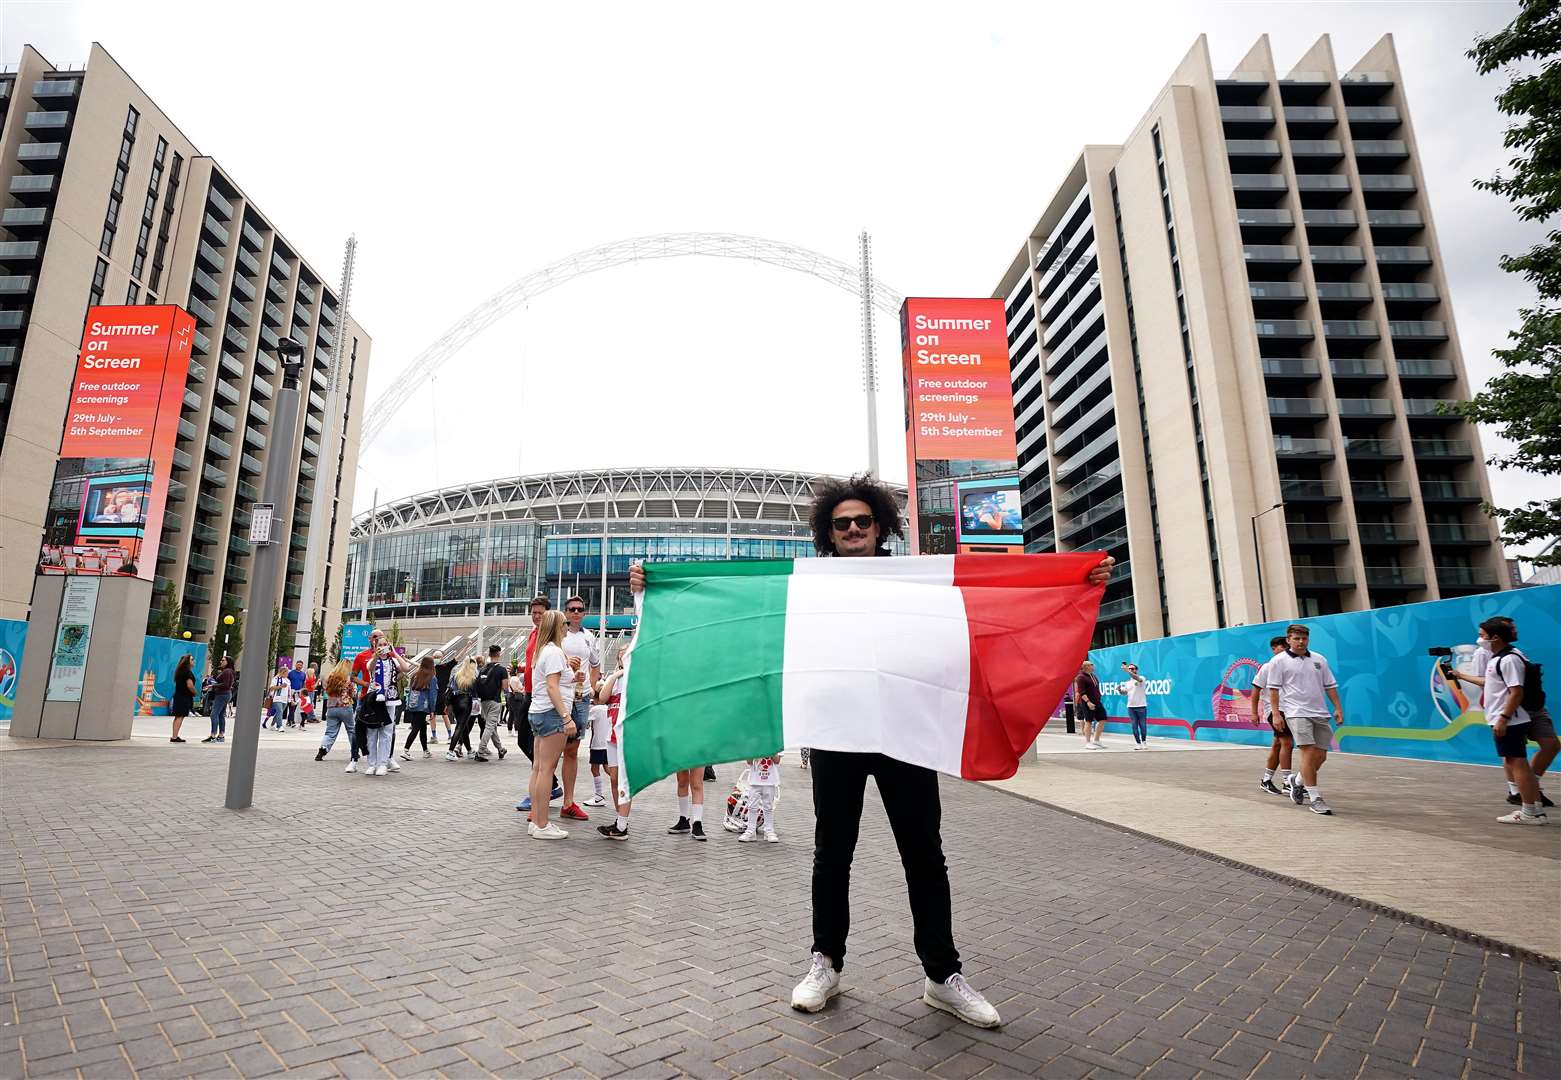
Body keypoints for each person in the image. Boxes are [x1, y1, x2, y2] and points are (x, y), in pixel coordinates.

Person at [629, 473, 1113, 1029]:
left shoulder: (914, 581)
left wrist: (1079, 576)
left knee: (924, 854)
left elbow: (999, 592)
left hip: (907, 731)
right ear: (827, 532)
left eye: (863, 521)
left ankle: (942, 975)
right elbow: (728, 608)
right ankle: (825, 963)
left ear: (881, 525)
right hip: (837, 733)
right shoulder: (809, 585)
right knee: (832, 854)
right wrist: (656, 585)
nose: (853, 529)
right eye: (842, 523)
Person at [1449, 617, 1547, 824]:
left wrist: (1503, 718)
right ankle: (1535, 808)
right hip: (1504, 717)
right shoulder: (1497, 659)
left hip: (1509, 719)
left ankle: (1530, 812)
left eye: (1483, 636)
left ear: (1495, 637)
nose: (1480, 640)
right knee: (1517, 762)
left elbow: (1516, 692)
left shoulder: (1508, 659)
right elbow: (1492, 684)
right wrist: (1459, 675)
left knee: (1517, 763)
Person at [1267, 623, 1343, 816]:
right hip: (1295, 712)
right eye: (1296, 638)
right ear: (1288, 640)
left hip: (1320, 713)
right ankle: (1316, 798)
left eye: (1304, 638)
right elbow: (1273, 690)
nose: (1301, 642)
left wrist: (1338, 708)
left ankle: (1297, 782)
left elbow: (1330, 686)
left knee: (1321, 756)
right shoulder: (1279, 661)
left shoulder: (1319, 659)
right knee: (1308, 753)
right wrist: (1276, 714)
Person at [527, 610, 576, 839]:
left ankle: (537, 821)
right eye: (565, 622)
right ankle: (542, 824)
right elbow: (552, 687)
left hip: (539, 711)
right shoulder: (555, 652)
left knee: (538, 768)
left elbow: (552, 684)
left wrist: (573, 678)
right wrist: (566, 716)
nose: (568, 625)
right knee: (547, 769)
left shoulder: (543, 651)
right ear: (558, 626)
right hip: (551, 713)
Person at [516, 597, 563, 813]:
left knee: (533, 743)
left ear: (548, 614)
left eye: (540, 613)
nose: (536, 616)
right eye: (533, 612)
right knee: (522, 740)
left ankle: (546, 787)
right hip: (528, 692)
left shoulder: (550, 640)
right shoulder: (533, 634)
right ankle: (548, 785)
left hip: (540, 698)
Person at [559, 595, 602, 821]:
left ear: (584, 613)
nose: (576, 612)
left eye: (580, 609)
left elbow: (595, 665)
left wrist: (592, 688)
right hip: (561, 697)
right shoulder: (559, 635)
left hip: (581, 698)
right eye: (572, 609)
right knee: (550, 749)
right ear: (565, 612)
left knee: (572, 751)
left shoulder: (589, 637)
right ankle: (539, 800)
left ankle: (568, 802)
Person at [594, 662, 633, 841]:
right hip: (612, 734)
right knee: (615, 778)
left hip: (627, 735)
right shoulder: (615, 679)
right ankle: (620, 820)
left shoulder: (637, 676)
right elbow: (602, 698)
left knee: (624, 781)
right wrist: (614, 676)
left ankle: (622, 825)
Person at [1250, 636, 1293, 796]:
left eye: (1286, 649)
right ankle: (1288, 782)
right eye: (1281, 649)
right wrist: (1254, 712)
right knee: (1287, 743)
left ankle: (1266, 780)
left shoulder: (1292, 665)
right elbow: (1255, 690)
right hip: (1274, 711)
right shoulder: (1267, 667)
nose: (1285, 652)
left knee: (1278, 745)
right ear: (1274, 649)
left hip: (1291, 710)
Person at [360, 641, 405, 776]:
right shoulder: (373, 660)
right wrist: (376, 655)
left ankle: (383, 764)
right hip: (374, 699)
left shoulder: (393, 661)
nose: (382, 647)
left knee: (386, 733)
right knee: (372, 732)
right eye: (380, 644)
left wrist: (395, 652)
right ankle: (372, 764)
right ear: (375, 646)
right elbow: (370, 667)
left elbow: (405, 668)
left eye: (385, 644)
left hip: (390, 700)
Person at [316, 661, 359, 770]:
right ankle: (354, 752)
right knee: (351, 730)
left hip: (331, 708)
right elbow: (354, 693)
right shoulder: (347, 679)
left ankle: (323, 749)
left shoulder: (330, 678)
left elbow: (326, 690)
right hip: (345, 707)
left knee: (330, 731)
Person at [473, 645, 509, 763]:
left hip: (484, 701)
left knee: (491, 726)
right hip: (495, 701)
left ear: (489, 654)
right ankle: (481, 751)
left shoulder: (483, 668)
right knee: (489, 727)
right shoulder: (501, 669)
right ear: (499, 654)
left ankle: (500, 749)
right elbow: (505, 687)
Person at [401, 656, 439, 760]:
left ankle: (425, 750)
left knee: (423, 727)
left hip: (413, 704)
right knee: (416, 728)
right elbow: (432, 696)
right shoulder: (432, 677)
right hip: (423, 706)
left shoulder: (415, 675)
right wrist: (432, 710)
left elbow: (410, 691)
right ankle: (406, 750)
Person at [740, 753, 781, 844]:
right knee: (752, 807)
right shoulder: (753, 741)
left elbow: (777, 760)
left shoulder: (774, 741)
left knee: (768, 807)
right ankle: (751, 831)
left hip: (770, 781)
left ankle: (769, 831)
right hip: (755, 781)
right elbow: (749, 761)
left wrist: (770, 749)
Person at [1075, 662, 1105, 750]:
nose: (1093, 666)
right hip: (1088, 702)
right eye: (1091, 665)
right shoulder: (1081, 677)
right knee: (1088, 721)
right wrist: (1088, 702)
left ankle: (1096, 740)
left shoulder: (1093, 676)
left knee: (1103, 719)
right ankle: (1088, 742)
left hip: (1097, 702)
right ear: (1086, 667)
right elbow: (1081, 692)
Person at [203, 657, 234, 742]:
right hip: (225, 694)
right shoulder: (228, 671)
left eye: (223, 660)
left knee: (214, 714)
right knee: (220, 715)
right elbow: (226, 684)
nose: (221, 661)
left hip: (222, 695)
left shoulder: (227, 671)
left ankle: (213, 735)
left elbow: (226, 685)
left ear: (228, 662)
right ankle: (221, 735)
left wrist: (212, 686)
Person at [169, 654, 196, 744]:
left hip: (179, 696)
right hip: (184, 697)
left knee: (178, 716)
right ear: (187, 662)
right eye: (192, 659)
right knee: (180, 716)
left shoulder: (180, 672)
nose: (193, 661)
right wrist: (194, 692)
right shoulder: (187, 673)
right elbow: (190, 685)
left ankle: (174, 735)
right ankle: (174, 737)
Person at [1122, 661, 1149, 749]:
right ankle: (1138, 743)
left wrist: (1126, 670)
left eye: (1132, 669)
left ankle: (1144, 742)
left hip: (1141, 706)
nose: (1131, 670)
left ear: (1136, 670)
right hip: (1131, 707)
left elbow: (1136, 678)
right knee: (1134, 726)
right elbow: (1124, 693)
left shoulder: (1141, 678)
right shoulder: (1127, 682)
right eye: (1130, 669)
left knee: (1143, 725)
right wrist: (1119, 690)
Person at [286, 660, 307, 726]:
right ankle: (292, 721)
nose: (299, 666)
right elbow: (287, 681)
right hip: (291, 691)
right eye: (298, 665)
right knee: (291, 707)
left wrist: (303, 692)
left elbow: (303, 683)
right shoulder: (291, 673)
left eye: (301, 665)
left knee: (294, 707)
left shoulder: (303, 674)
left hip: (298, 692)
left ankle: (289, 720)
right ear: (295, 665)